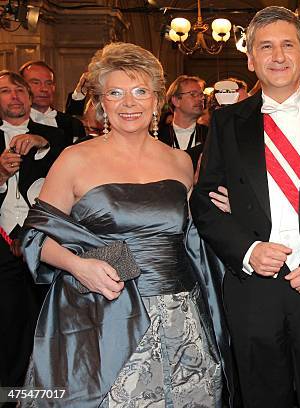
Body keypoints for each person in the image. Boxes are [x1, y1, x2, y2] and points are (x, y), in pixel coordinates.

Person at [19, 42, 232, 407]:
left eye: (139, 92)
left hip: (182, 316)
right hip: (104, 313)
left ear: (156, 100)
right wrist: (78, 265)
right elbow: (36, 235)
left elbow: (193, 237)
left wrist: (222, 211)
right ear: (101, 103)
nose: (128, 103)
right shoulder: (75, 159)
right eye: (115, 93)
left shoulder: (179, 161)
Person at [190, 6, 300, 407]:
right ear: (250, 59)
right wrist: (249, 251)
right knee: (261, 395)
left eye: (288, 45)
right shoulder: (225, 123)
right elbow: (204, 202)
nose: (278, 56)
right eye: (265, 47)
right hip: (253, 288)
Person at [0, 70, 63, 389]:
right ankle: (11, 390)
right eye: (5, 91)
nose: (15, 96)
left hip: (47, 242)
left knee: (49, 319)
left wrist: (42, 140)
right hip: (2, 245)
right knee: (9, 323)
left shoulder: (55, 132)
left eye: (20, 90)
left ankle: (49, 386)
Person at [19, 61, 86, 147]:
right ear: (21, 87)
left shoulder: (73, 124)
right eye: (36, 83)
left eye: (49, 83)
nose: (44, 89)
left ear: (54, 87)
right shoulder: (12, 124)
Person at [158, 75, 208, 170]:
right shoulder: (157, 136)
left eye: (201, 95)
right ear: (176, 100)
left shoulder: (210, 135)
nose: (201, 99)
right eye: (193, 94)